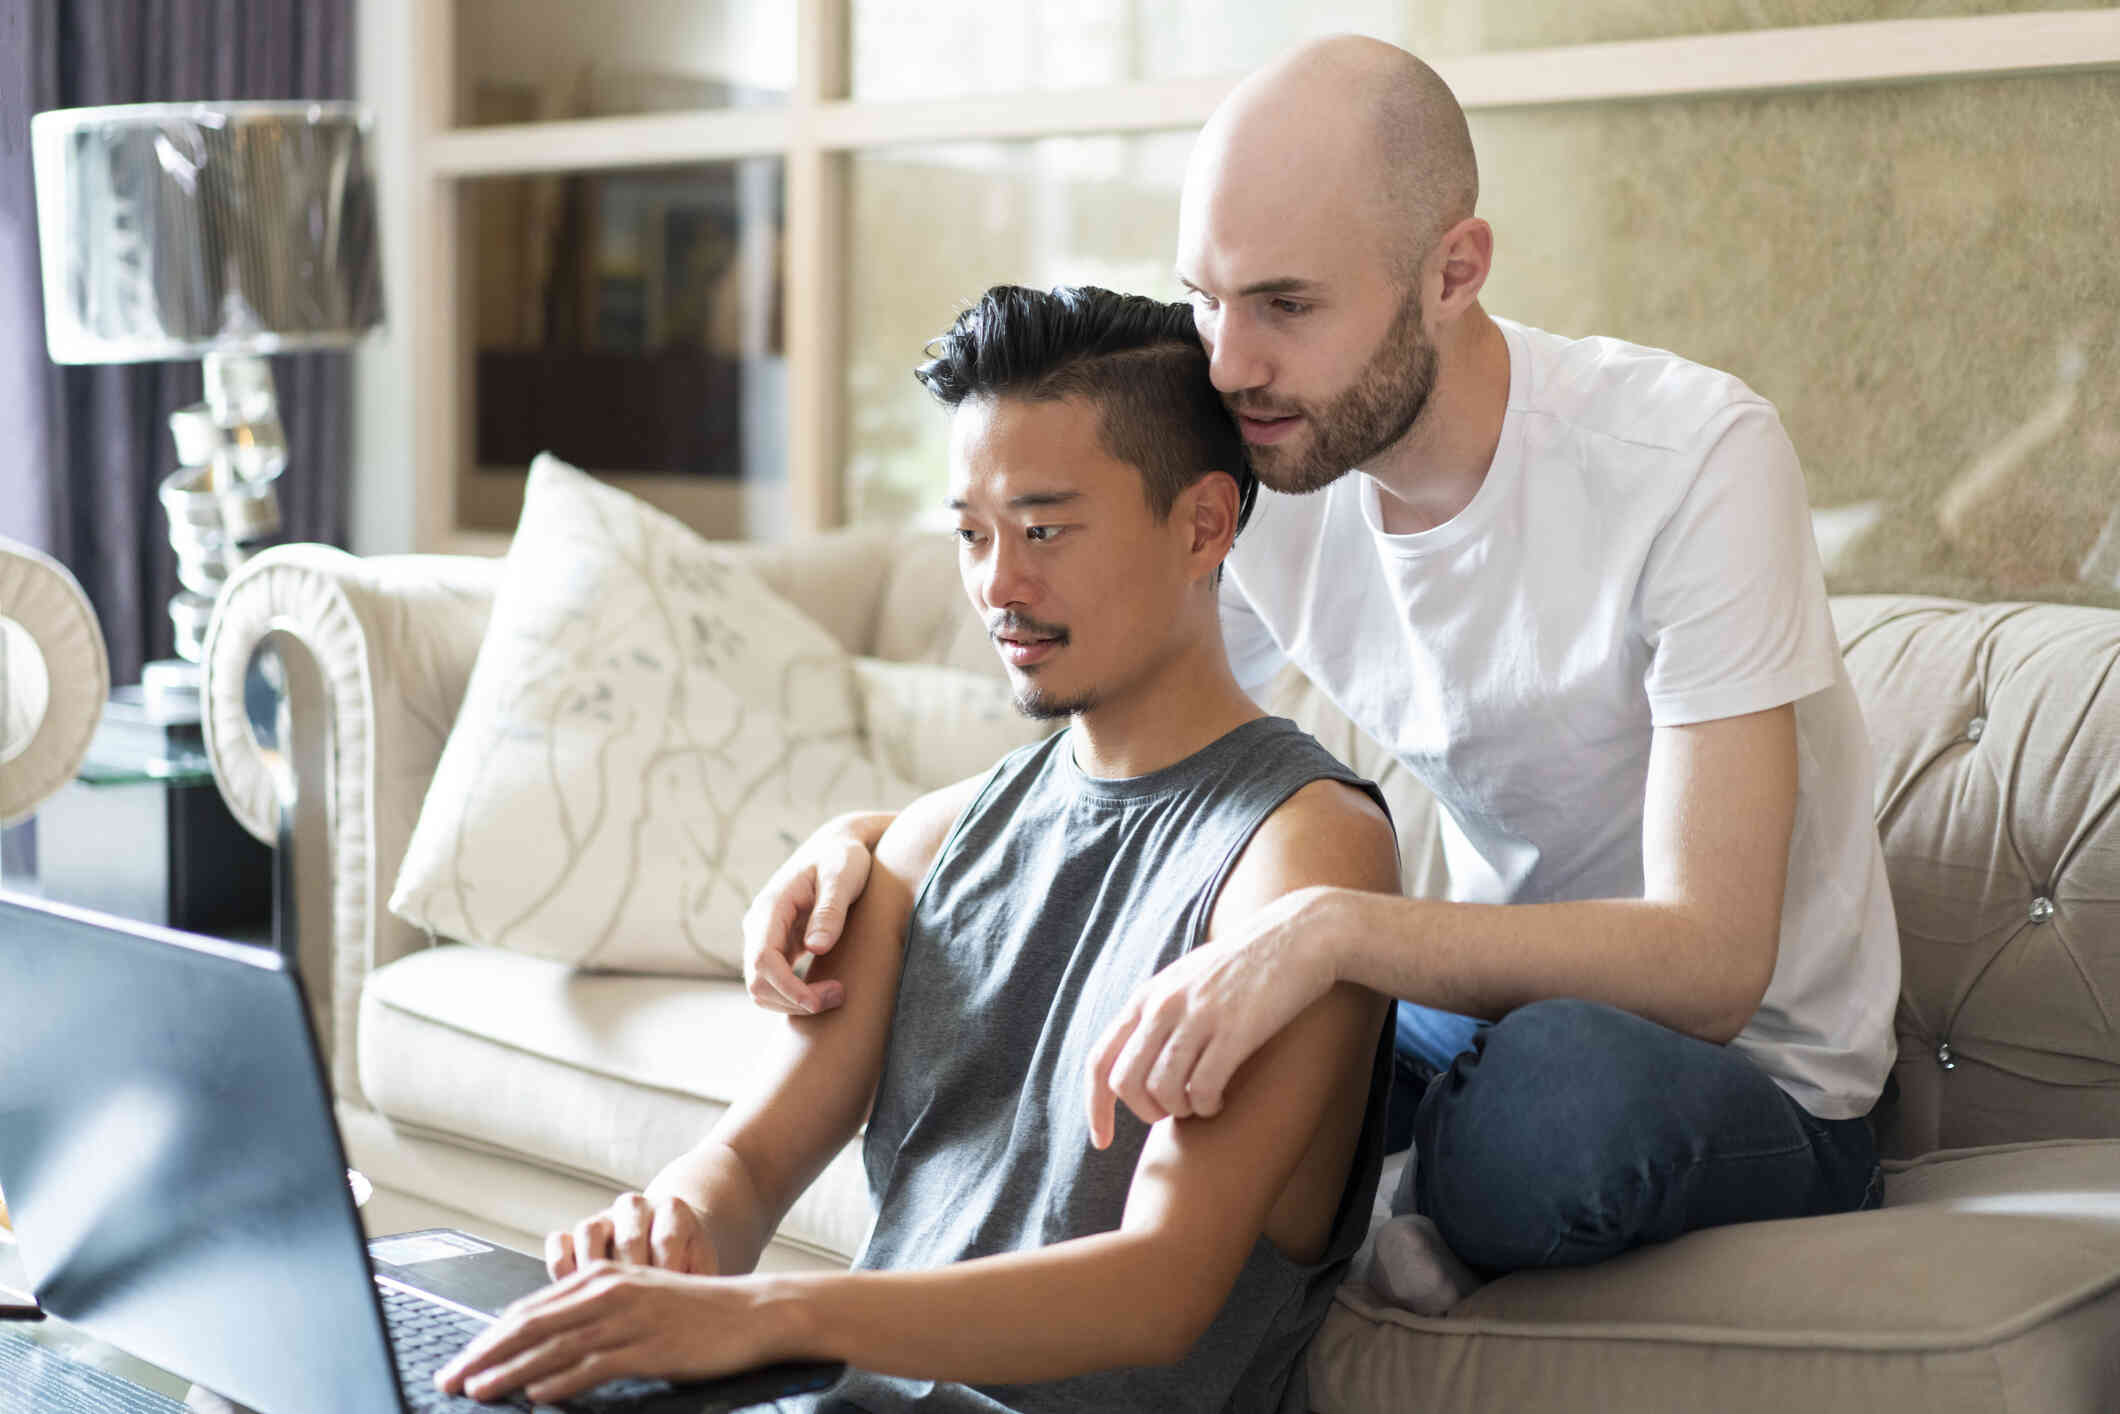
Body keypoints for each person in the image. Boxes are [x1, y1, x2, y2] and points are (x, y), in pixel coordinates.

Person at [745, 35, 1900, 1278]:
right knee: (1128, 1024)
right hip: (1462, 1013)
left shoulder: (1690, 461)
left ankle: (1389, 1194)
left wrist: (1331, 933)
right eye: (1205, 296)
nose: (1228, 363)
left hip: (1754, 1069)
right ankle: (1381, 1194)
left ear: (1451, 270)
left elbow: (1710, 961)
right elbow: (1119, 753)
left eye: (1286, 304)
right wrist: (870, 838)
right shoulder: (1270, 461)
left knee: (1552, 1111)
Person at [435, 285, 1400, 1411]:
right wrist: (667, 1234)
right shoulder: (928, 842)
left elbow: (1159, 1287)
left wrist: (767, 1317)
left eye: (1043, 528)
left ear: (1201, 525)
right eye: (971, 534)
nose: (997, 585)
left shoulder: (1302, 851)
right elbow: (747, 1165)